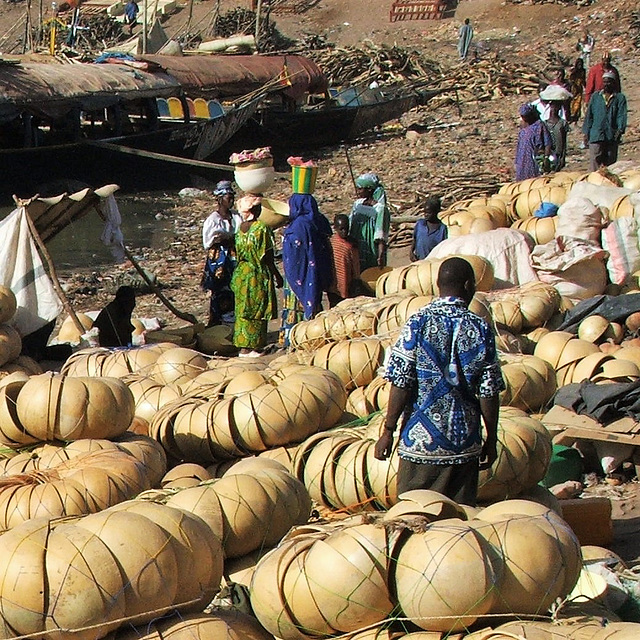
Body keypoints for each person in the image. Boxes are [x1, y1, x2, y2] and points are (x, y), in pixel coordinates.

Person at [374, 257, 504, 505]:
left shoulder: (418, 323)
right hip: (463, 447)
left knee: (414, 521)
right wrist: (491, 439)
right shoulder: (480, 328)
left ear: (437, 284)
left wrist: (388, 431)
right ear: (468, 286)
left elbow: (401, 381)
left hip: (421, 446)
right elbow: (488, 391)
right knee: (459, 525)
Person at [230, 196, 282, 357]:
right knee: (257, 308)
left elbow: (236, 252)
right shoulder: (261, 228)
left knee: (243, 309)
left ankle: (243, 347)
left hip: (241, 273)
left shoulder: (240, 228)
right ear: (254, 210)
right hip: (256, 273)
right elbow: (267, 255)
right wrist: (277, 275)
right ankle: (254, 346)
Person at [280, 193, 333, 346]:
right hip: (315, 270)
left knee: (296, 305)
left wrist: (286, 235)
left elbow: (294, 251)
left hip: (299, 273)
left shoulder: (298, 226)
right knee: (314, 298)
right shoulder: (318, 219)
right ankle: (314, 336)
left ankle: (296, 340)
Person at [201, 180, 241, 327]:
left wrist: (229, 237)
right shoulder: (213, 220)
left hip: (233, 257)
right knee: (219, 290)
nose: (230, 200)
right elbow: (208, 242)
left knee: (234, 288)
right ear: (219, 199)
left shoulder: (236, 217)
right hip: (219, 260)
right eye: (227, 198)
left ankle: (232, 319)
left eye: (232, 198)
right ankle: (219, 322)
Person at [582, 71, 628, 171]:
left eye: (609, 82)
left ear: (613, 83)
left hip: (611, 134)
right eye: (604, 82)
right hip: (596, 134)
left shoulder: (619, 98)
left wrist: (620, 130)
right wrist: (586, 133)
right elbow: (589, 115)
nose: (606, 84)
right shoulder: (596, 96)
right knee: (595, 161)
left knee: (610, 163)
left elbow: (621, 115)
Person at [349, 172, 391, 271]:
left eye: (360, 188)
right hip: (356, 246)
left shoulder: (380, 209)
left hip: (371, 249)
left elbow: (381, 234)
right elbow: (351, 224)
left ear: (369, 189)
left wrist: (380, 255)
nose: (357, 191)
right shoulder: (357, 204)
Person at [514, 103, 552, 181]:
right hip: (522, 159)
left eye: (526, 117)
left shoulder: (539, 125)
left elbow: (547, 142)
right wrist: (516, 161)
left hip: (534, 158)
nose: (524, 119)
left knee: (533, 180)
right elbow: (520, 144)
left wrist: (546, 157)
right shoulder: (523, 126)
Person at [328, 214, 360, 308]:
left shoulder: (351, 245)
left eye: (346, 228)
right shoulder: (331, 243)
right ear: (335, 228)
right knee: (334, 307)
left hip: (348, 282)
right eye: (341, 229)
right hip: (333, 284)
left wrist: (356, 280)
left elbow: (355, 265)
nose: (344, 232)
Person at [411, 196, 447, 262]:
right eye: (425, 212)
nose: (426, 215)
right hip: (418, 259)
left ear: (436, 212)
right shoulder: (420, 224)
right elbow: (415, 239)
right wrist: (411, 252)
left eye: (429, 213)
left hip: (433, 261)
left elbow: (443, 247)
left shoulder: (442, 229)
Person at [543, 101, 568, 172]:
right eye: (552, 107)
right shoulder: (545, 123)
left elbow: (564, 141)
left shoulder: (562, 123)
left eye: (556, 107)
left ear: (559, 108)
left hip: (558, 152)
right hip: (548, 152)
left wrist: (563, 157)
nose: (554, 109)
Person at [568, 58, 587, 124]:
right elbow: (570, 80)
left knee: (578, 102)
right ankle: (571, 116)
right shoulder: (574, 71)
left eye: (581, 64)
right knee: (572, 102)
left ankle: (575, 115)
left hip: (579, 88)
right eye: (578, 64)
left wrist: (586, 87)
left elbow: (583, 80)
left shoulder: (583, 71)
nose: (579, 65)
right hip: (573, 88)